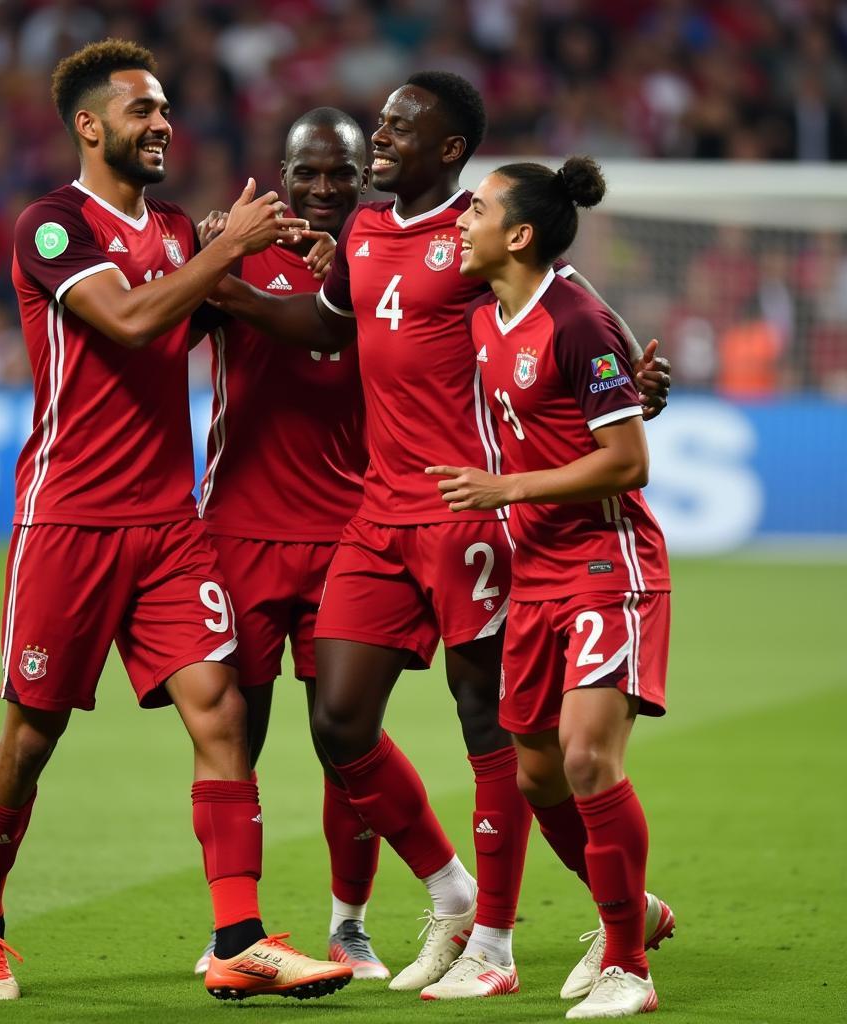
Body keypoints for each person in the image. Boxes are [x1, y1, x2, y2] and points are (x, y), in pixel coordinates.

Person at [209, 72, 671, 1000]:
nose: (378, 137)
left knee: (498, 733)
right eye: (379, 123)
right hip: (378, 513)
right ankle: (455, 889)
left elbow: (573, 311)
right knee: (340, 721)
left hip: (475, 512)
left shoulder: (481, 230)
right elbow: (330, 325)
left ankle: (500, 940)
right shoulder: (367, 232)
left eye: (395, 127)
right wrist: (233, 295)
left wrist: (636, 382)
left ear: (448, 149)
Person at [0, 39, 352, 1004]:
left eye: (166, 107)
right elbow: (131, 321)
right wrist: (224, 250)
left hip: (170, 525)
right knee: (32, 737)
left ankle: (239, 938)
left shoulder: (177, 227)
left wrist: (305, 269)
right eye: (142, 111)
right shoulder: (50, 228)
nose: (163, 122)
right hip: (71, 521)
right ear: (90, 126)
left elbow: (224, 316)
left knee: (220, 713)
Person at [428, 155, 673, 1018]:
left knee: (586, 757)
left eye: (479, 208)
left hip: (608, 562)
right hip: (534, 570)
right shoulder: (493, 312)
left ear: (519, 234)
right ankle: (632, 905)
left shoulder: (575, 318)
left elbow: (628, 460)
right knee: (536, 776)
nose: (462, 218)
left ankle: (627, 964)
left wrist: (510, 490)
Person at [192, 108, 392, 980]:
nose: (322, 188)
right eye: (307, 172)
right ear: (280, 173)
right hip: (239, 530)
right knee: (237, 733)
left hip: (353, 532)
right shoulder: (232, 252)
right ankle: (236, 929)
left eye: (340, 173)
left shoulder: (389, 263)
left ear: (365, 176)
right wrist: (206, 257)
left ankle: (350, 924)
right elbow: (155, 335)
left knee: (346, 737)